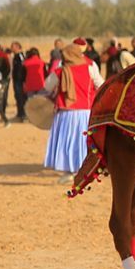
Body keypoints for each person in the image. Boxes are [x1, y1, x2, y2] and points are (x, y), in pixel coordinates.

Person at [42, 38, 101, 175]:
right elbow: (100, 84)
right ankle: (85, 167)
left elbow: (47, 86)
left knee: (67, 141)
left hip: (67, 112)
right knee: (83, 141)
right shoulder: (90, 67)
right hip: (86, 111)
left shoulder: (61, 71)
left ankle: (70, 169)